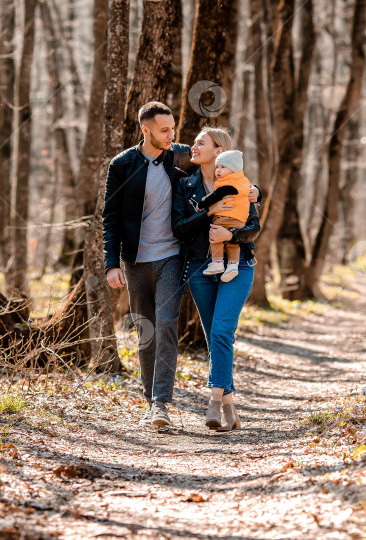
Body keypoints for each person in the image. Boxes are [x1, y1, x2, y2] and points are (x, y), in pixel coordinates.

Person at [103, 102, 192, 427]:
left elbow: (219, 168)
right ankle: (149, 399)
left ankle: (160, 405)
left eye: (173, 129)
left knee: (167, 325)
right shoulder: (123, 165)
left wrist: (251, 191)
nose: (172, 135)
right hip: (136, 261)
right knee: (147, 330)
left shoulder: (181, 156)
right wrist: (112, 263)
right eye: (164, 130)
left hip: (172, 256)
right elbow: (109, 217)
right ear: (146, 130)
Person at [171, 127, 260, 431]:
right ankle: (230, 406)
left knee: (222, 330)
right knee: (214, 336)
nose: (193, 147)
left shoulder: (243, 185)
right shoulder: (187, 185)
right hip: (200, 267)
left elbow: (253, 227)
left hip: (239, 264)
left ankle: (212, 402)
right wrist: (209, 212)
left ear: (219, 149)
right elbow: (179, 228)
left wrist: (230, 234)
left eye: (200, 143)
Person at [199, 150, 251, 283]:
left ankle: (217, 262)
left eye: (223, 167)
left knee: (215, 236)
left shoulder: (228, 184)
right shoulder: (243, 182)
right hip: (239, 220)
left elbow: (215, 196)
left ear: (233, 169)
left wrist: (202, 203)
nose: (218, 170)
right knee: (233, 244)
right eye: (217, 167)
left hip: (226, 218)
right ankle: (233, 266)